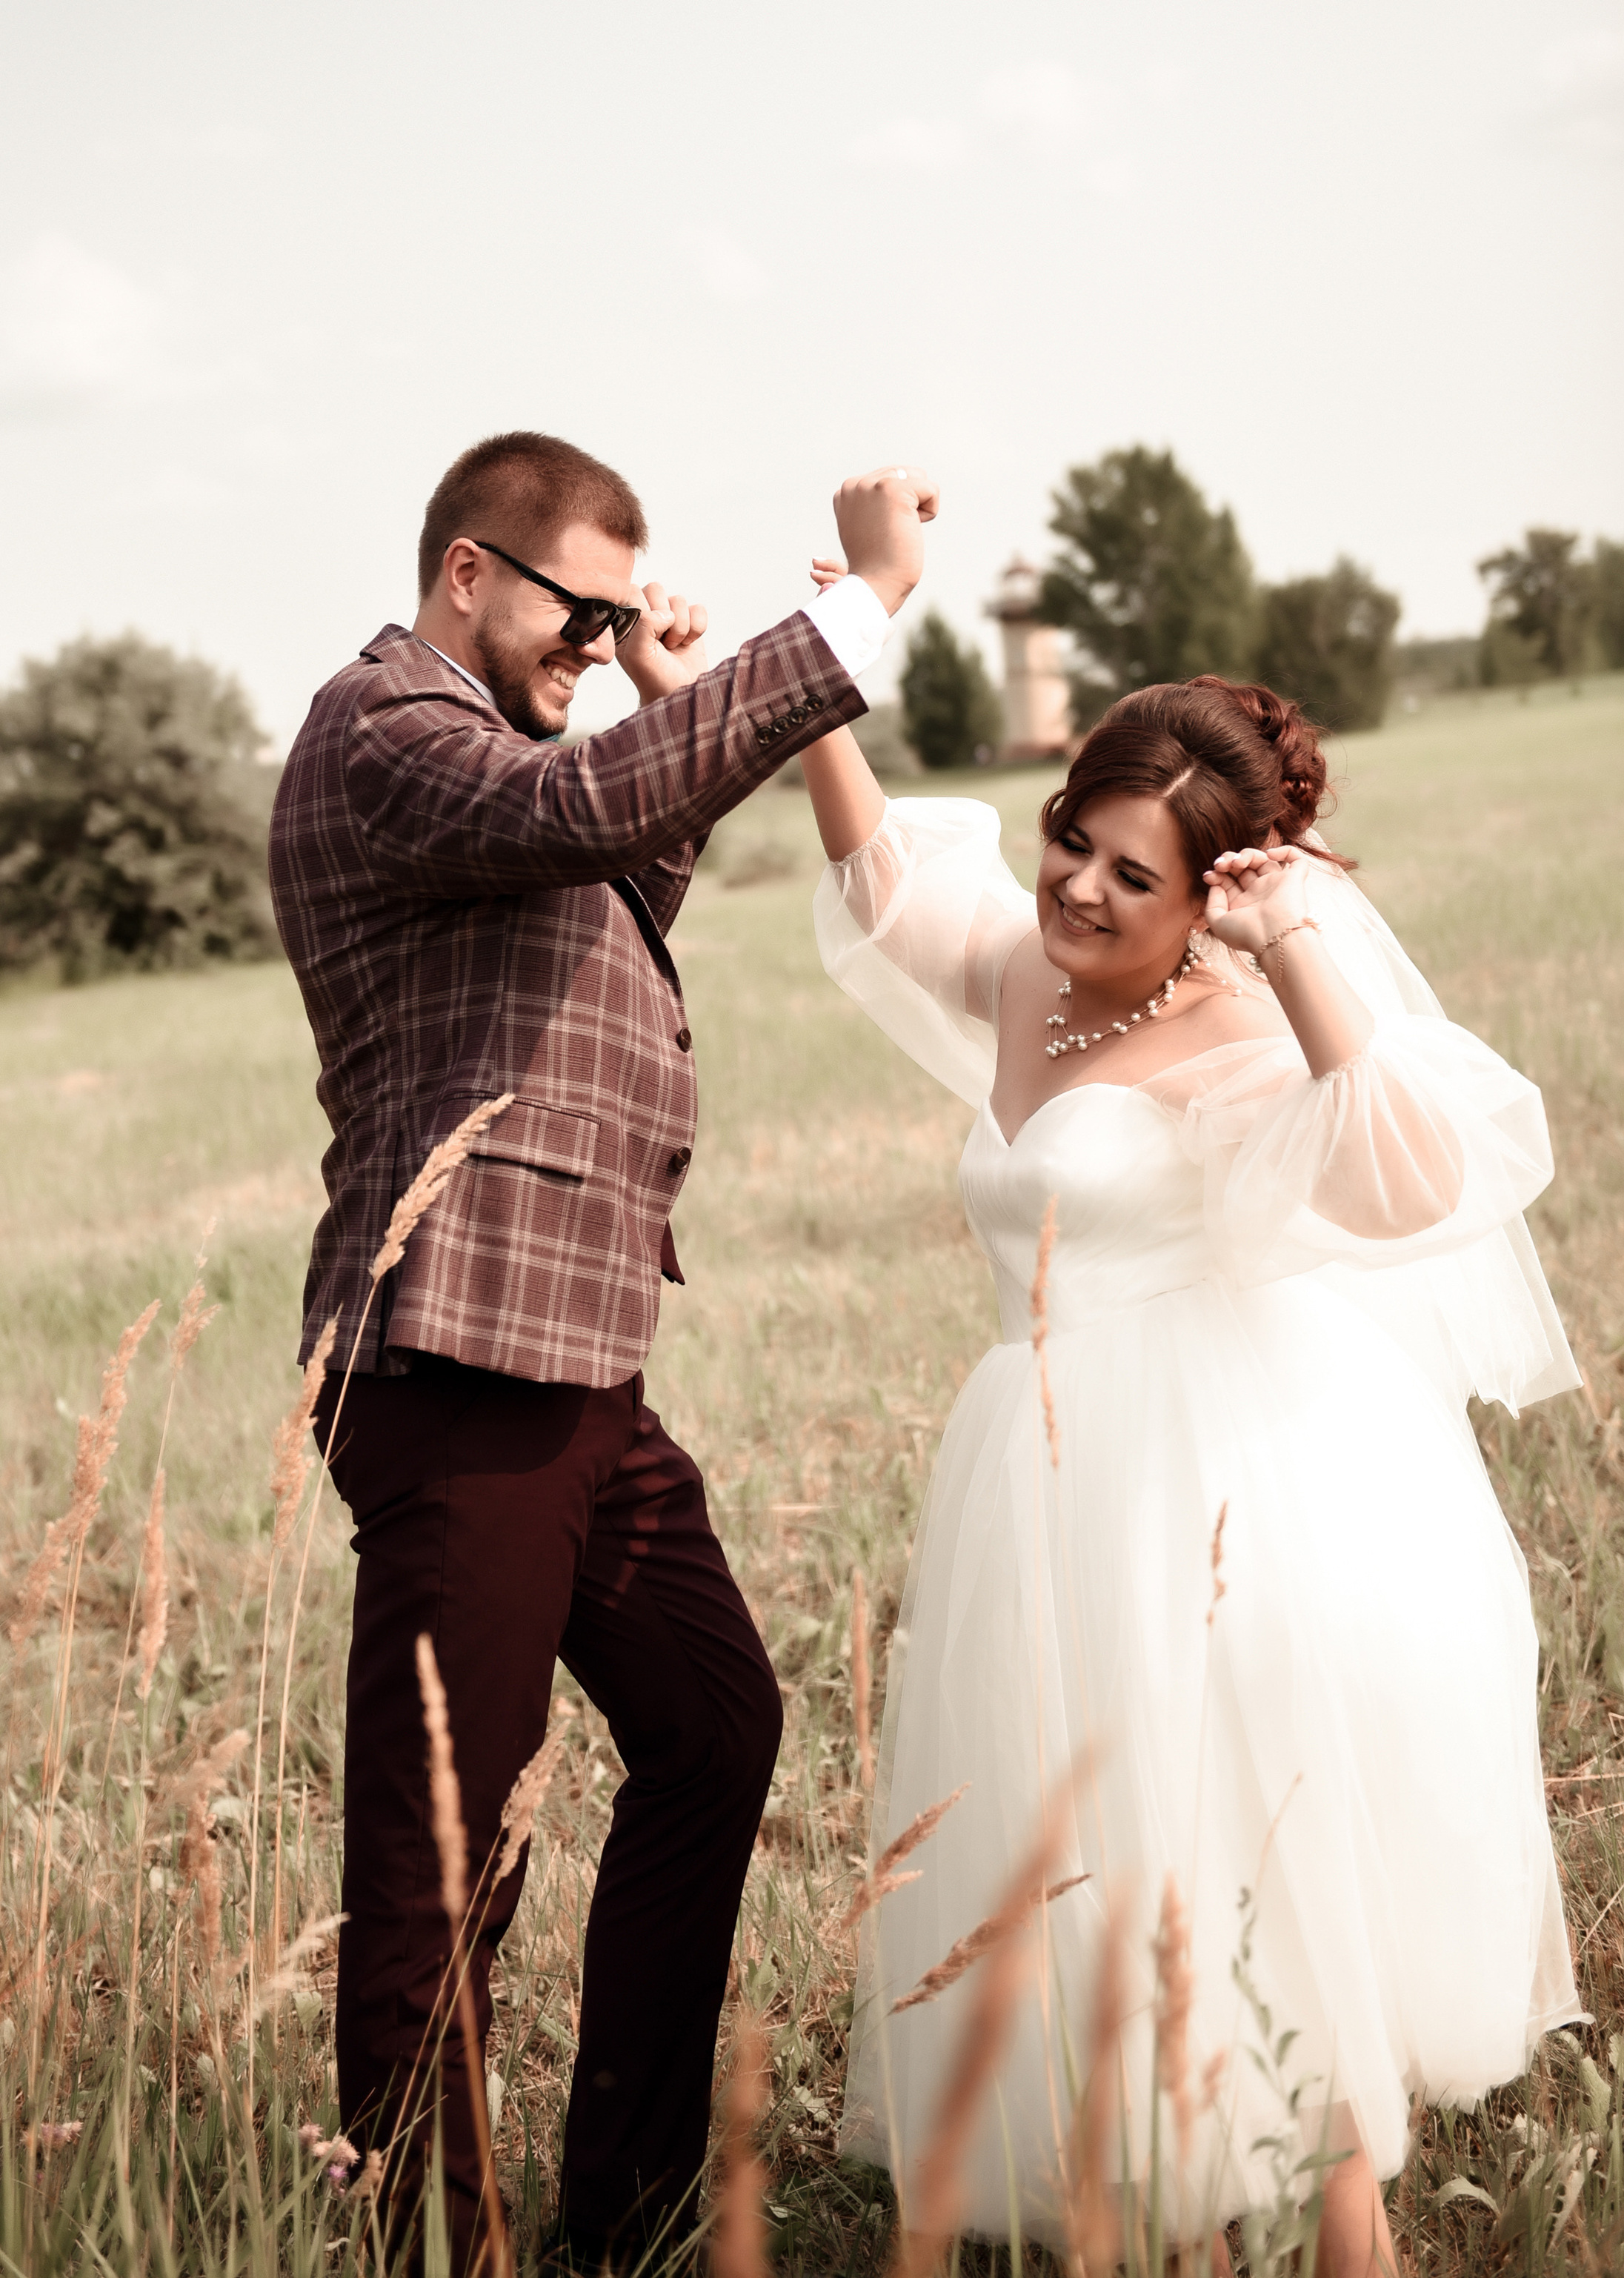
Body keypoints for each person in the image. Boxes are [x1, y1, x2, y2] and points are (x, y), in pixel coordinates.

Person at [797, 671, 1581, 2277]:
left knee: (1240, 1845)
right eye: (1068, 839)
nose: (1079, 886)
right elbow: (889, 899)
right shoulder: (1028, 969)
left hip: (1210, 1480)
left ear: (1207, 893)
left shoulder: (1235, 1035)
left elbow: (1411, 1176)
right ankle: (1196, 2229)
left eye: (1130, 873)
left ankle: (1355, 2243)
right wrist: (801, 706)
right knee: (1109, 1855)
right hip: (1039, 1480)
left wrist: (1290, 947)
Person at [267, 431, 937, 2266]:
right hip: (460, 1364)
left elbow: (608, 886)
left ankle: (620, 2213)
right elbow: (574, 822)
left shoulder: (496, 767)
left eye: (626, 612)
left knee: (716, 1728)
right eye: (583, 606)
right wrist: (851, 604)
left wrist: (674, 701)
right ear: (468, 571)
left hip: (577, 1370)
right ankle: (423, 2238)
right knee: (441, 1857)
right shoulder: (383, 730)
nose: (599, 641)